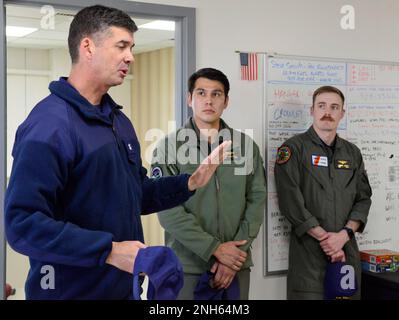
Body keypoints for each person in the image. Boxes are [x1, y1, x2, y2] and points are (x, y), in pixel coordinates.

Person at [4, 5, 230, 300]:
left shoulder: (117, 121)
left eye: (132, 47)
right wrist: (109, 251)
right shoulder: (50, 125)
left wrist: (189, 183)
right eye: (121, 46)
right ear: (88, 46)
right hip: (71, 292)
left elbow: (135, 193)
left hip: (122, 288)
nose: (130, 57)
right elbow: (23, 224)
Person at [151, 68, 266, 300]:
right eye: (202, 93)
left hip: (236, 266)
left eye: (217, 94)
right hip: (188, 266)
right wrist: (214, 249)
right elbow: (167, 209)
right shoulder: (168, 147)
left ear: (226, 101)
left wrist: (234, 256)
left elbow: (256, 201)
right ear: (189, 98)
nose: (209, 100)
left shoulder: (245, 146)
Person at [274, 85, 372, 300]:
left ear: (342, 113)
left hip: (346, 254)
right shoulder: (293, 149)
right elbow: (291, 202)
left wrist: (343, 235)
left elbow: (363, 199)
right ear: (312, 110)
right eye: (322, 106)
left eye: (334, 107)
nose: (328, 112)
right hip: (309, 258)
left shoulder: (352, 153)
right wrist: (328, 241)